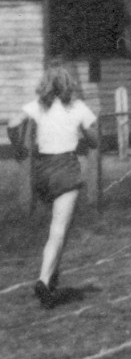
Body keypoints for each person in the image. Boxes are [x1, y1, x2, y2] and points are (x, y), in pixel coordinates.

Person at [7, 60, 98, 308]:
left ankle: (53, 273)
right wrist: (86, 133)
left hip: (42, 170)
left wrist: (18, 148)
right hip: (66, 167)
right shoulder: (77, 107)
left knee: (60, 227)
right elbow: (94, 140)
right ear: (69, 84)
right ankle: (45, 280)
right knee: (58, 229)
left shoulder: (39, 106)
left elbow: (13, 124)